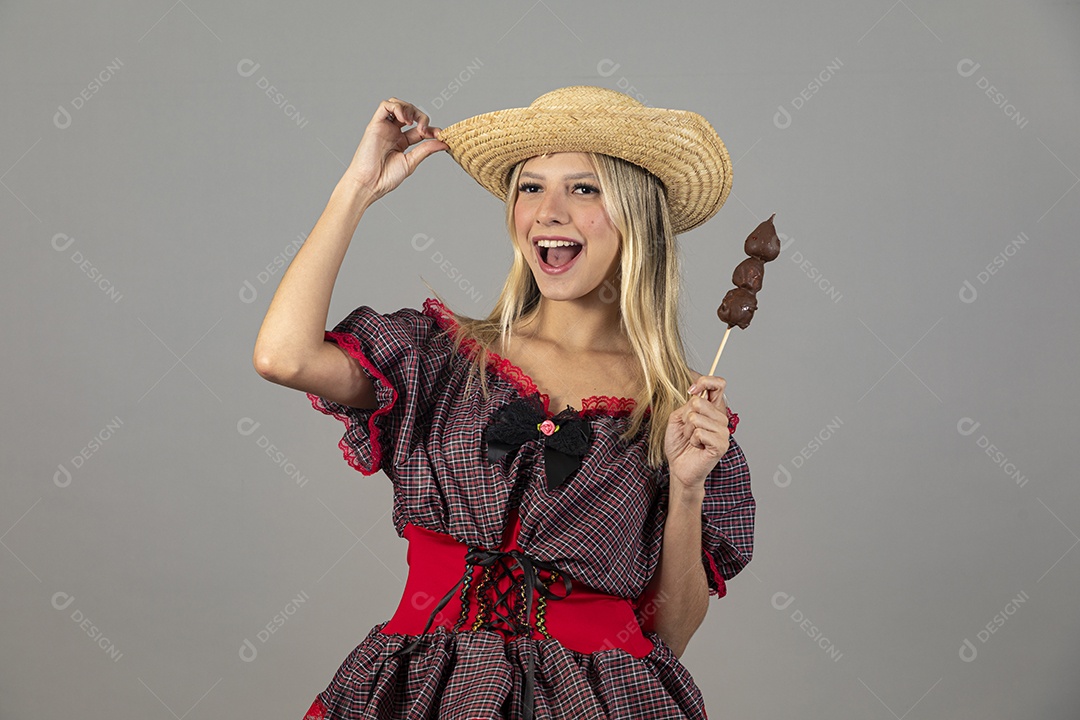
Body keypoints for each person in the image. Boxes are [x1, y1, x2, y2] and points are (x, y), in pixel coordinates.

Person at [254, 85, 755, 720]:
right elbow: (283, 356)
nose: (548, 211)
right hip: (426, 691)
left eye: (583, 188)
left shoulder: (678, 410)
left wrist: (686, 490)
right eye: (530, 187)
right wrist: (356, 190)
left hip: (596, 703)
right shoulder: (439, 358)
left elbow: (669, 635)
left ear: (636, 216)